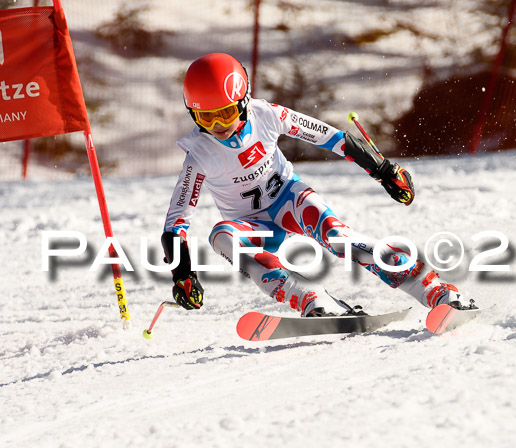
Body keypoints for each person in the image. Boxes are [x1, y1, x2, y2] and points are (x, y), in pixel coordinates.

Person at [162, 52, 469, 317]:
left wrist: (384, 170)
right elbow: (176, 222)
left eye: (226, 114)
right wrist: (183, 273)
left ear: (243, 101)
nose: (219, 128)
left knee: (339, 238)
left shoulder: (266, 115)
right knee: (221, 236)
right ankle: (309, 296)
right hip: (252, 225)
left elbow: (330, 137)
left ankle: (433, 289)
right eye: (207, 118)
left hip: (289, 201)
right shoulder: (198, 153)